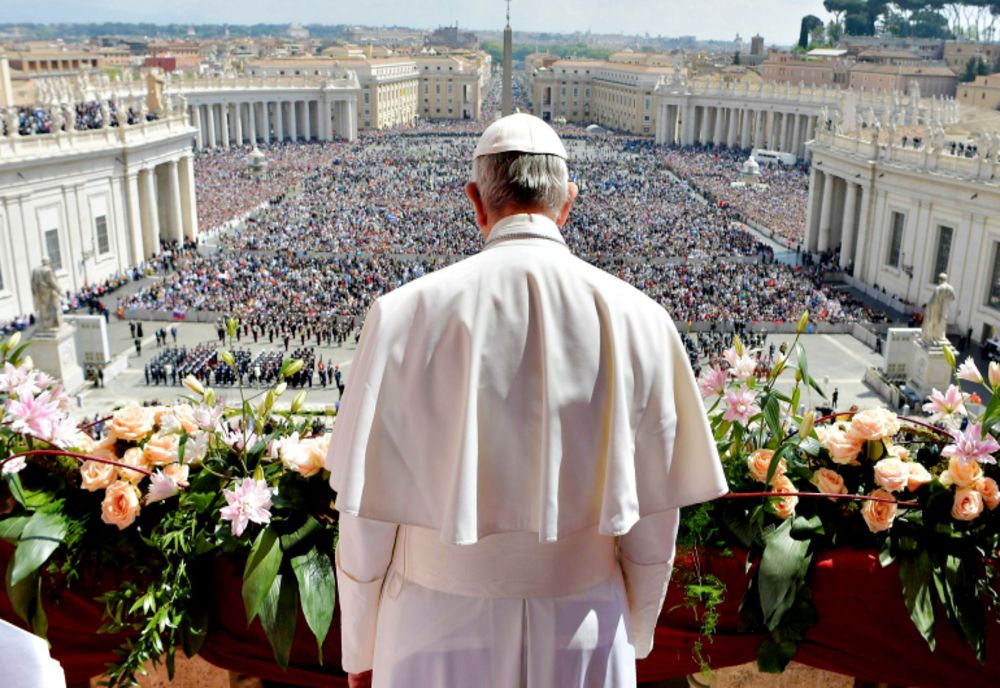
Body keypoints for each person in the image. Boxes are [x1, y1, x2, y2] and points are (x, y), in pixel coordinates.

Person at [326, 114, 728, 688]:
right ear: (568, 202)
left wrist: (360, 648)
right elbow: (653, 526)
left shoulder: (400, 315)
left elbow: (365, 519)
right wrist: (635, 629)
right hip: (584, 627)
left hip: (431, 629)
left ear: (475, 201)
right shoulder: (643, 319)